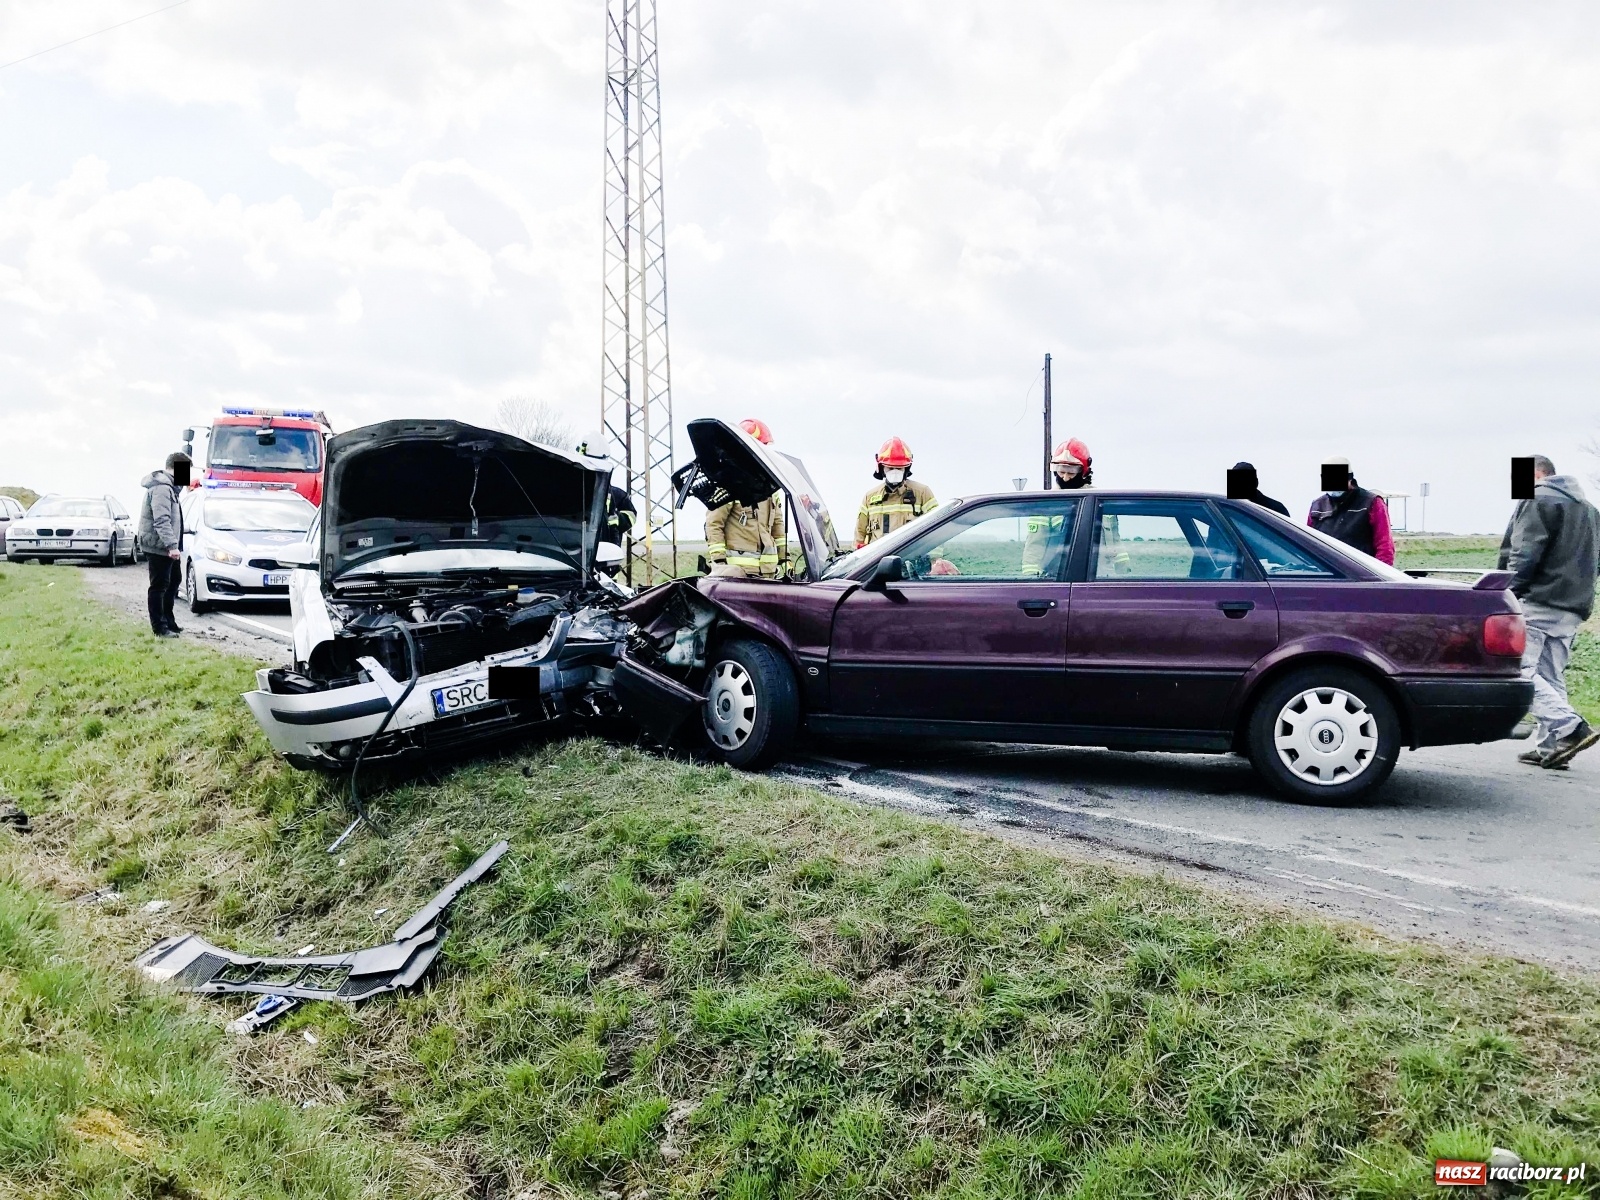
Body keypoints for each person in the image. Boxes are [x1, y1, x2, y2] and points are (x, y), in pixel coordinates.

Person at [1498, 455, 1600, 769]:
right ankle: (1551, 749)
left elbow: (1524, 552)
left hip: (1537, 601)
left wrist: (1507, 593)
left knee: (1517, 670)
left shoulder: (1537, 499)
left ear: (1538, 474)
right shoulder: (1589, 509)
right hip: (1573, 605)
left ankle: (1570, 726)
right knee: (1551, 676)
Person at [704, 418, 787, 577]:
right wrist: (720, 562)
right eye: (761, 448)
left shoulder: (770, 486)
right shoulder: (728, 483)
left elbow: (777, 523)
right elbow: (714, 524)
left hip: (768, 573)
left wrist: (784, 559)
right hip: (739, 577)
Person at [1024, 438, 1099, 574]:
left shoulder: (1101, 500)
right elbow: (1035, 546)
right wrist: (1031, 579)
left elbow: (1114, 545)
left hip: (1101, 578)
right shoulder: (1046, 504)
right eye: (1061, 471)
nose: (1065, 477)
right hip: (1059, 576)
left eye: (1071, 472)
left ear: (1084, 471)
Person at [138, 451, 190, 637]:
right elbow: (161, 520)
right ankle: (159, 628)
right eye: (186, 470)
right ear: (177, 468)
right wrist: (171, 545)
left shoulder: (170, 487)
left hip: (166, 546)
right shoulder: (161, 488)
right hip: (160, 546)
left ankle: (168, 621)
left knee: (174, 581)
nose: (188, 476)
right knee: (159, 586)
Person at [1307, 457, 1395, 565]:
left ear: (1349, 478)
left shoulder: (1372, 502)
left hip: (1361, 574)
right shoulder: (1317, 506)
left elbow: (1385, 546)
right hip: (1328, 574)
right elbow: (1308, 544)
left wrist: (1378, 576)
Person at [855, 437, 937, 548]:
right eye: (890, 468)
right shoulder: (870, 497)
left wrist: (935, 559)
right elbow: (860, 534)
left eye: (899, 468)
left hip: (912, 559)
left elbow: (936, 528)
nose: (894, 472)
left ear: (906, 469)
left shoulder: (922, 493)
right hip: (878, 561)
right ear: (881, 468)